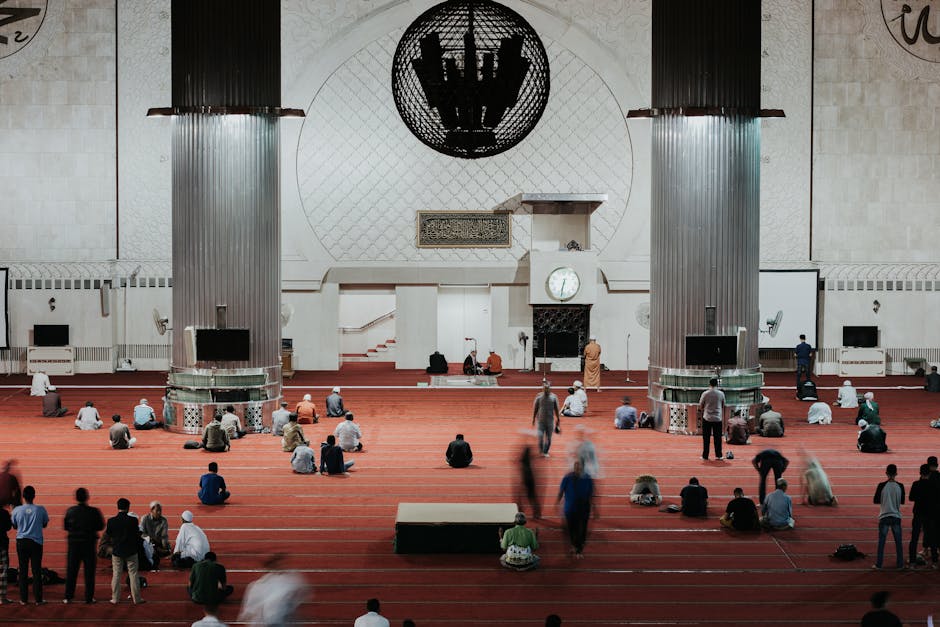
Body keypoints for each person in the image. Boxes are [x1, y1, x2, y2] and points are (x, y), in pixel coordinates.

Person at [237, 554, 306, 626]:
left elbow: (248, 612)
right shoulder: (257, 586)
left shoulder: (289, 579)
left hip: (276, 620)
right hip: (272, 620)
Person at [63, 487, 105, 604]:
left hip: (74, 544)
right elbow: (101, 526)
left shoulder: (70, 511)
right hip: (89, 544)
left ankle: (68, 596)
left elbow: (66, 526)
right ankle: (89, 597)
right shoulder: (94, 511)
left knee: (71, 571)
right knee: (89, 572)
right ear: (87, 497)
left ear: (76, 498)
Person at [11, 485, 49, 605]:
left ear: (23, 496)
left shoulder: (17, 510)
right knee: (36, 571)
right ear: (34, 496)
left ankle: (23, 599)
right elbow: (45, 524)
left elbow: (14, 526)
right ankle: (38, 599)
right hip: (36, 543)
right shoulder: (40, 509)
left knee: (23, 571)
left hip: (22, 542)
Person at [106, 497, 143, 605]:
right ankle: (137, 599)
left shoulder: (111, 521)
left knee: (116, 574)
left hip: (117, 551)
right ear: (128, 508)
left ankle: (115, 598)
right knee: (133, 574)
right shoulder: (133, 521)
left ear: (118, 507)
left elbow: (109, 535)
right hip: (131, 551)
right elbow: (136, 535)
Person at [557, 459, 595, 559]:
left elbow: (591, 495)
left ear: (583, 467)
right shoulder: (567, 477)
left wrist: (595, 509)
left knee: (582, 530)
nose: (577, 468)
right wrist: (557, 503)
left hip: (584, 509)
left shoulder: (588, 479)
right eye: (575, 466)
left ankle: (579, 549)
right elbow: (561, 491)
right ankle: (574, 545)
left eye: (579, 466)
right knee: (572, 529)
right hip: (570, 509)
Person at [873, 464, 906, 570]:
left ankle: (879, 564)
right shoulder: (900, 486)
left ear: (886, 473)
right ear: (896, 473)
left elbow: (876, 500)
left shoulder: (881, 485)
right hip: (896, 516)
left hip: (884, 516)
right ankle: (900, 564)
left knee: (882, 542)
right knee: (898, 542)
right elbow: (902, 501)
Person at [908, 464, 938, 568]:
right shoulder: (933, 485)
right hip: (930, 514)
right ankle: (935, 562)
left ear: (920, 473)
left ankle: (912, 562)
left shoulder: (916, 484)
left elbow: (911, 498)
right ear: (929, 473)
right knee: (932, 538)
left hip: (918, 513)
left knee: (914, 538)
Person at [139, 501, 171, 571]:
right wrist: (150, 538)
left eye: (160, 511)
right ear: (151, 510)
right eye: (157, 510)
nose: (159, 512)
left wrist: (164, 547)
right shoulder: (145, 518)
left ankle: (158, 551)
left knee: (166, 549)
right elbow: (142, 533)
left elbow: (164, 536)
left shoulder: (163, 521)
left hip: (158, 542)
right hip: (147, 542)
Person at [532, 380, 560, 457]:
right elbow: (535, 408)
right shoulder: (539, 397)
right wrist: (533, 418)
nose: (546, 389)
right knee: (540, 437)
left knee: (548, 438)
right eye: (544, 388)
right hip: (540, 421)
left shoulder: (554, 397)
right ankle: (541, 451)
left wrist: (558, 419)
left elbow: (556, 409)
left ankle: (545, 451)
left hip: (550, 421)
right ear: (542, 388)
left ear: (550, 388)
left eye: (547, 388)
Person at [699, 378, 725, 460]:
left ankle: (705, 456)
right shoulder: (721, 394)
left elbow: (701, 405)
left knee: (706, 438)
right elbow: (723, 405)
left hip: (707, 417)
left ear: (709, 384)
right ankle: (719, 455)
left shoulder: (705, 393)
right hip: (717, 418)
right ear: (717, 384)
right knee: (718, 438)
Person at [0, 502, 11, 604]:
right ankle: (2, 597)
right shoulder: (4, 513)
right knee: (3, 570)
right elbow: (8, 527)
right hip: (2, 543)